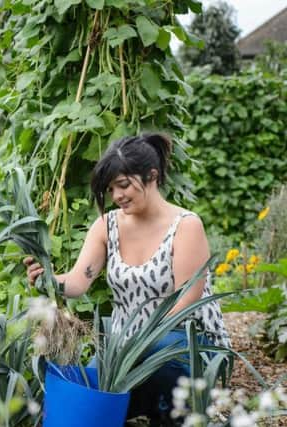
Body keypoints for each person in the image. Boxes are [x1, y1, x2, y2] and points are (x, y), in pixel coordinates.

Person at [25, 133, 230, 424]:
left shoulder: (185, 226)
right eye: (111, 189)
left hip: (182, 341)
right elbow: (78, 282)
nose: (117, 196)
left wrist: (142, 341)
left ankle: (176, 415)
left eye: (123, 185)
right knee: (91, 389)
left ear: (152, 176)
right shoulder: (107, 225)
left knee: (158, 361)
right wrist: (47, 278)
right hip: (125, 348)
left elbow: (188, 298)